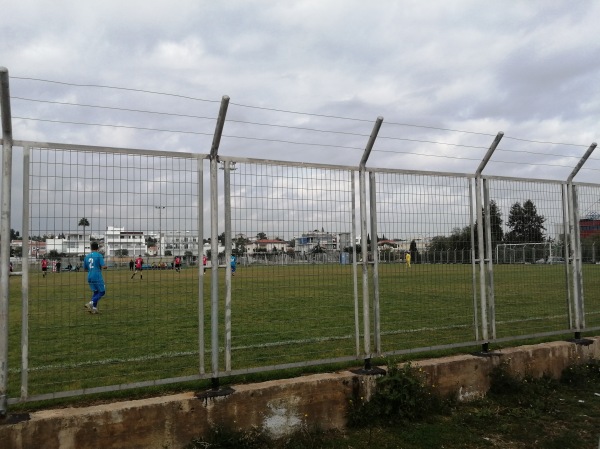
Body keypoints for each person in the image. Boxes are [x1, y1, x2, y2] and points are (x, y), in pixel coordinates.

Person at [83, 241, 106, 314]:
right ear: (98, 248)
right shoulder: (99, 255)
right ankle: (91, 303)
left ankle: (94, 309)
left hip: (89, 276)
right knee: (102, 292)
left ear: (91, 248)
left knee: (96, 292)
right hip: (97, 275)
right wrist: (105, 266)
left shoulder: (87, 257)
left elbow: (85, 269)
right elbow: (103, 266)